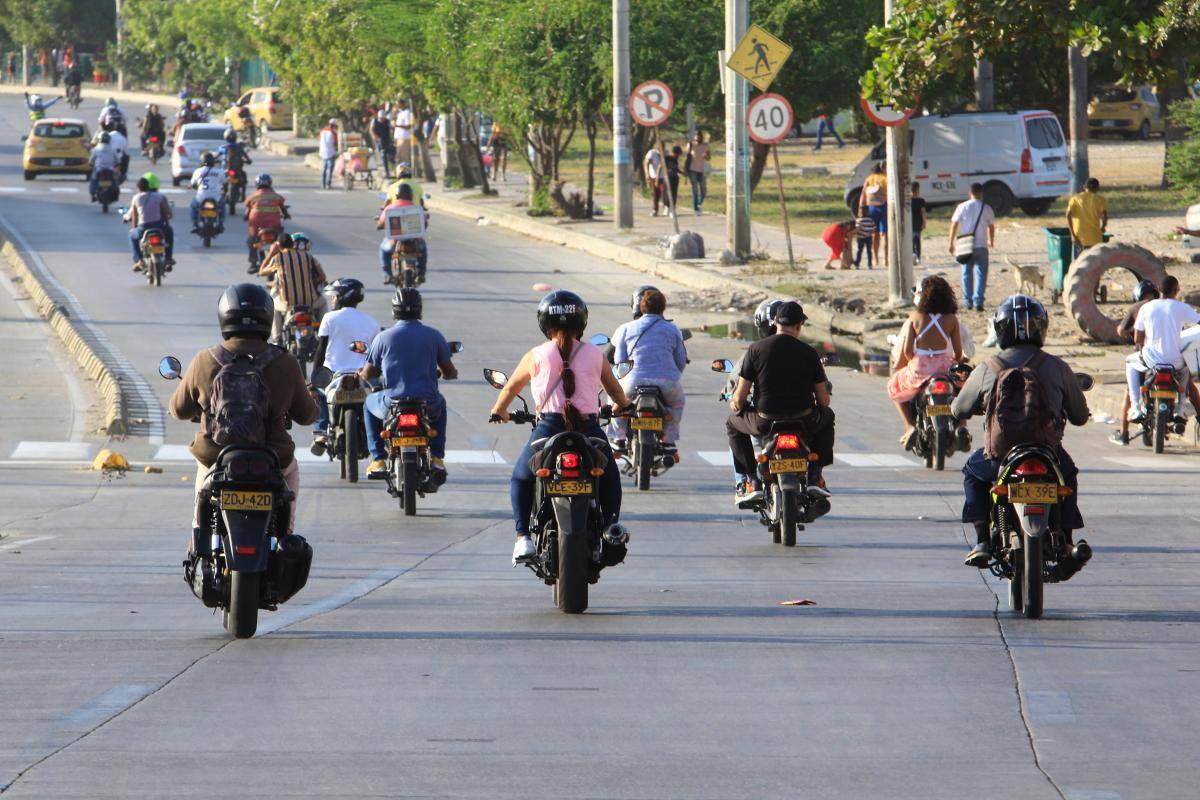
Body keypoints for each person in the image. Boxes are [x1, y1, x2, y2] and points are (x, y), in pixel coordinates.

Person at [169, 283, 317, 548]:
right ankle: (285, 536)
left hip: (216, 457)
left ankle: (199, 538)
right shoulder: (285, 362)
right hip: (272, 458)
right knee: (291, 472)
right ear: (267, 317)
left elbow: (178, 410)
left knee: (202, 498)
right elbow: (307, 416)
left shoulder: (205, 359)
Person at [489, 290, 631, 564]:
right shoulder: (595, 354)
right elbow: (615, 392)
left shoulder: (535, 355)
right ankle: (610, 528)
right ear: (582, 323)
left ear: (545, 324)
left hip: (548, 428)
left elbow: (510, 389)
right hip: (589, 429)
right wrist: (623, 405)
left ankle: (522, 538)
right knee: (610, 476)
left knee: (521, 478)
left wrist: (499, 411)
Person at [952, 294, 1090, 575]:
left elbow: (958, 409)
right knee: (1069, 476)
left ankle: (981, 541)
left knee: (972, 472)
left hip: (1001, 455)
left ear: (1000, 329)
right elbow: (1079, 416)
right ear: (1042, 328)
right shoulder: (1058, 367)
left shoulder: (987, 368)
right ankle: (1066, 542)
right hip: (1047, 453)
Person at [727, 301, 835, 507]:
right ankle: (815, 475)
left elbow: (740, 398)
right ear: (799, 325)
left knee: (733, 423)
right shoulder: (809, 353)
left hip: (765, 421)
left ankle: (752, 480)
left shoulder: (755, 350)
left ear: (775, 321)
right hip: (803, 420)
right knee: (828, 416)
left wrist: (735, 405)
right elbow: (823, 400)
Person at [359, 288, 457, 482]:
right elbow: (449, 371)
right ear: (420, 309)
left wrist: (361, 374)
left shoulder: (383, 337)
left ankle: (378, 458)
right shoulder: (434, 335)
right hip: (426, 403)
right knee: (442, 403)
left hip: (392, 403)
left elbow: (369, 373)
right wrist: (449, 375)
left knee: (368, 404)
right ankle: (437, 457)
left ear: (395, 310)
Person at [887, 276, 967, 449]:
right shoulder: (951, 319)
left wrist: (913, 361)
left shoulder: (915, 317)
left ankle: (910, 427)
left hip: (920, 367)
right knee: (962, 389)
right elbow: (959, 353)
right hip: (943, 367)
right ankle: (961, 426)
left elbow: (907, 351)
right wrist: (957, 360)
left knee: (894, 384)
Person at [608, 287, 688, 459]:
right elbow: (681, 360)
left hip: (632, 382)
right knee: (677, 403)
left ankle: (619, 438)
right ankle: (667, 440)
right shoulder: (673, 329)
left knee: (615, 399)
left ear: (640, 307)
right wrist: (671, 375)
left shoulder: (626, 328)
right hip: (667, 382)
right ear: (663, 308)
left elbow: (620, 361)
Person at [310, 278, 379, 455]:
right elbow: (376, 355)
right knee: (375, 399)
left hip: (333, 373)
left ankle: (321, 433)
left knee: (321, 394)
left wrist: (315, 376)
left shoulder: (329, 318)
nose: (332, 300)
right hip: (363, 375)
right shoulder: (372, 321)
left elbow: (321, 349)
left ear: (342, 297)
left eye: (334, 296)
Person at [1126, 275, 1200, 425]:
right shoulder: (1182, 307)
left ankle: (1135, 407)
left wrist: (1143, 345)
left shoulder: (1147, 307)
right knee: (1185, 370)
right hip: (1175, 362)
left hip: (1151, 360)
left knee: (1129, 363)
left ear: (1159, 290)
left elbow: (1138, 339)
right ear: (1176, 290)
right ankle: (1180, 409)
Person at [1110, 279, 1163, 445]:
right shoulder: (1164, 307)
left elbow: (1121, 330)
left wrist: (1127, 333)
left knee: (1129, 392)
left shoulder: (1135, 308)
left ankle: (1124, 432)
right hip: (1166, 358)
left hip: (1145, 359)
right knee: (1186, 384)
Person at [258, 233, 328, 344]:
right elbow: (322, 277)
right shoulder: (308, 256)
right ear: (293, 244)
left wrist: (271, 252)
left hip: (288, 304)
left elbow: (261, 271)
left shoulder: (278, 258)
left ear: (279, 246)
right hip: (310, 302)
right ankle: (323, 333)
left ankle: (277, 338)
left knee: (274, 307)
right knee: (323, 302)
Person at [948, 182, 996, 311]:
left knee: (966, 273)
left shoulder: (962, 207)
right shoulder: (987, 208)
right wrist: (991, 241)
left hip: (965, 246)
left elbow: (954, 225)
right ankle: (978, 301)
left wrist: (951, 243)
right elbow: (991, 227)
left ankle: (967, 302)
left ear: (970, 193)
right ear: (981, 193)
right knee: (981, 274)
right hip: (981, 245)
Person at [377, 182, 429, 283]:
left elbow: (381, 223)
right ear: (411, 195)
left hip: (394, 242)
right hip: (415, 241)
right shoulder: (417, 208)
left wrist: (379, 225)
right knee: (423, 250)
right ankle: (421, 273)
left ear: (397, 195)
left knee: (383, 251)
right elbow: (425, 223)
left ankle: (388, 275)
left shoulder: (390, 208)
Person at [123, 176, 175, 271]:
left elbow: (134, 216)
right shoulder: (159, 196)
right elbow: (166, 212)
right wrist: (167, 223)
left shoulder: (136, 198)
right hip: (158, 226)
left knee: (131, 236)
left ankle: (139, 260)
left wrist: (134, 229)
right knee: (170, 232)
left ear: (138, 188)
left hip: (143, 228)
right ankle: (168, 258)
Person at [244, 173, 290, 270]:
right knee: (282, 240)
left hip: (256, 226)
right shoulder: (275, 196)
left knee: (251, 241)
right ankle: (283, 259)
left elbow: (247, 209)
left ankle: (253, 263)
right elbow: (283, 208)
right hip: (274, 226)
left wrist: (245, 217)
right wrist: (286, 215)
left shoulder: (253, 196)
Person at [1066, 177, 1108, 259]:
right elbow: (1104, 216)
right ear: (1097, 188)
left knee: (1078, 263)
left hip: (1079, 237)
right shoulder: (1100, 200)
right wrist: (1103, 227)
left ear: (1084, 187)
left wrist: (1073, 235)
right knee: (1094, 263)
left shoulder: (1075, 199)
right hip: (1095, 237)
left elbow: (1068, 215)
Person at [858, 162, 888, 268]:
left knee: (874, 235)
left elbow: (863, 193)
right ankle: (886, 259)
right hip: (884, 207)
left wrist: (861, 208)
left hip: (872, 208)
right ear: (883, 168)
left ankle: (876, 258)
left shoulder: (869, 178)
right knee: (886, 235)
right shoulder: (886, 178)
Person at [189, 151, 226, 233]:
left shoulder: (198, 171)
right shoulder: (220, 171)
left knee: (193, 206)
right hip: (216, 197)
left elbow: (193, 183)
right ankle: (221, 223)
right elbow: (224, 182)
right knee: (222, 206)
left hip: (201, 197)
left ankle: (195, 224)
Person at [218, 128, 253, 195]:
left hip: (226, 170)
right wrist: (248, 160)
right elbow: (245, 156)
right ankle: (243, 193)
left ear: (225, 137)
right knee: (244, 178)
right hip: (236, 169)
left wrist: (212, 160)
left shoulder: (223, 147)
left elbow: (216, 156)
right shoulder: (239, 147)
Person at [87, 132, 118, 200]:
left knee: (93, 180)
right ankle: (116, 194)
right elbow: (117, 160)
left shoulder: (96, 149)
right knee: (115, 180)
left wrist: (91, 164)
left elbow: (91, 160)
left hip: (99, 169)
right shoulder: (112, 149)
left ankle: (93, 195)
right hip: (110, 169)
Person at [685, 131, 711, 215]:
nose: (698, 138)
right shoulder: (691, 145)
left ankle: (699, 203)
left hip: (702, 170)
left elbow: (708, 158)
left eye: (700, 137)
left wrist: (706, 156)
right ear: (695, 137)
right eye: (697, 137)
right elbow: (687, 157)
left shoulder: (705, 146)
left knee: (704, 190)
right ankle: (695, 209)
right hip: (693, 170)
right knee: (695, 190)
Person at [371, 109, 394, 179]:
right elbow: (371, 130)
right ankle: (386, 172)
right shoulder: (374, 121)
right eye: (380, 119)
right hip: (379, 140)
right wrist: (375, 137)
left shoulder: (387, 121)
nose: (382, 120)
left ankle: (391, 170)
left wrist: (391, 138)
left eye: (383, 119)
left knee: (391, 155)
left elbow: (391, 130)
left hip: (387, 140)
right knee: (383, 154)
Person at [644, 147, 667, 217]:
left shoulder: (665, 153)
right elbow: (646, 163)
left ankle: (666, 206)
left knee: (664, 191)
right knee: (655, 194)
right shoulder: (652, 153)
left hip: (663, 177)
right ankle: (655, 210)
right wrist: (647, 174)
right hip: (653, 176)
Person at [318, 118, 339, 189]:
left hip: (323, 152)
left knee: (324, 169)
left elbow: (319, 139)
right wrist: (337, 151)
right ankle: (328, 184)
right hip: (331, 153)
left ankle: (323, 184)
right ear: (334, 125)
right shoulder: (333, 133)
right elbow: (336, 143)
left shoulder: (322, 131)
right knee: (330, 169)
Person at [911, 181, 927, 264]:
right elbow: (923, 212)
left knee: (910, 240)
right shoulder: (921, 200)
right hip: (918, 222)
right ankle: (918, 256)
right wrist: (924, 222)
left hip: (910, 223)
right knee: (917, 240)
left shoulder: (908, 201)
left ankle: (912, 255)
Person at [394, 100, 413, 167]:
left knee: (404, 156)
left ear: (402, 104)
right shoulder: (400, 113)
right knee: (398, 157)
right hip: (399, 138)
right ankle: (401, 172)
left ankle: (406, 173)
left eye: (398, 104)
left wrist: (398, 126)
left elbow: (409, 126)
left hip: (404, 137)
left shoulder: (407, 113)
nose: (397, 106)